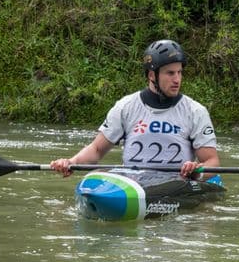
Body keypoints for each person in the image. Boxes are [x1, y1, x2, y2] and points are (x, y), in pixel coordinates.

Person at [50, 39, 219, 180]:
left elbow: (212, 161)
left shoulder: (195, 111)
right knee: (95, 176)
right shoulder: (126, 106)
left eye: (179, 72)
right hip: (134, 183)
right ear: (152, 75)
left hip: (175, 183)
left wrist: (197, 170)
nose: (177, 79)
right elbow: (96, 150)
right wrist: (71, 162)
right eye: (170, 73)